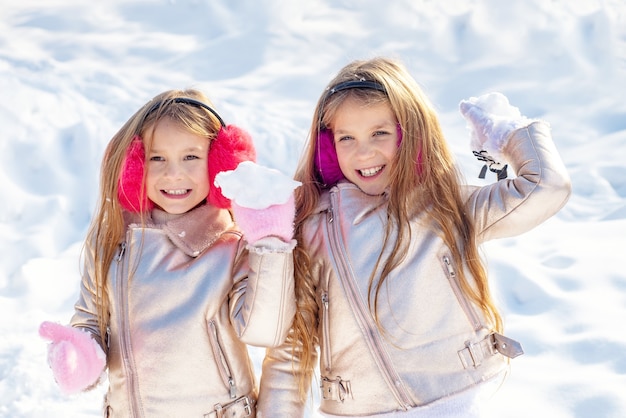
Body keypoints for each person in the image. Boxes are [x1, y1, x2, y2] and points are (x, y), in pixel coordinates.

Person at [257, 57, 571, 417]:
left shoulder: (446, 207)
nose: (364, 151)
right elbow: (292, 347)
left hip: (462, 402)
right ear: (327, 147)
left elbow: (547, 187)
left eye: (380, 133)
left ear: (409, 134)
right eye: (346, 138)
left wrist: (509, 134)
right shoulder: (313, 228)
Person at [39, 89, 297, 417]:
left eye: (191, 157)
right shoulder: (114, 242)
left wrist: (269, 245)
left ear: (220, 164)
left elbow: (265, 330)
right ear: (133, 166)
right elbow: (91, 318)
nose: (173, 173)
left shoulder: (231, 246)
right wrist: (81, 355)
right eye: (157, 158)